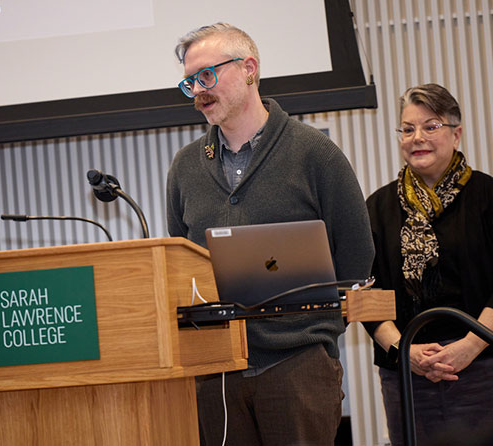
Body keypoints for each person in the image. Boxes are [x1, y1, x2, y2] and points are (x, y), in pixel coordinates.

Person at [166, 23, 374, 445]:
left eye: (207, 76)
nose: (198, 91)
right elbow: (181, 265)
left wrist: (315, 327)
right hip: (217, 375)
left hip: (298, 366)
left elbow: (356, 254)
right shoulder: (185, 166)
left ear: (249, 69)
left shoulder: (314, 152)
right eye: (190, 82)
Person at [363, 83, 493, 446]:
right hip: (405, 374)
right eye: (407, 128)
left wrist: (470, 345)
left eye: (431, 126)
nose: (417, 137)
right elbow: (366, 293)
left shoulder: (487, 196)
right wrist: (404, 349)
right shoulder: (377, 207)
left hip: (483, 368)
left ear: (457, 133)